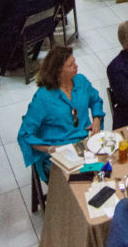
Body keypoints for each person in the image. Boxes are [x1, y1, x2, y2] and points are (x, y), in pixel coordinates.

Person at [16, 46, 104, 181]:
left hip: (83, 146)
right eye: (71, 65)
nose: (76, 66)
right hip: (58, 153)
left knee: (107, 168)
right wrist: (51, 149)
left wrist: (97, 119)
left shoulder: (81, 81)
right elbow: (25, 134)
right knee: (85, 180)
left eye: (74, 62)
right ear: (58, 71)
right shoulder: (43, 97)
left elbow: (96, 100)